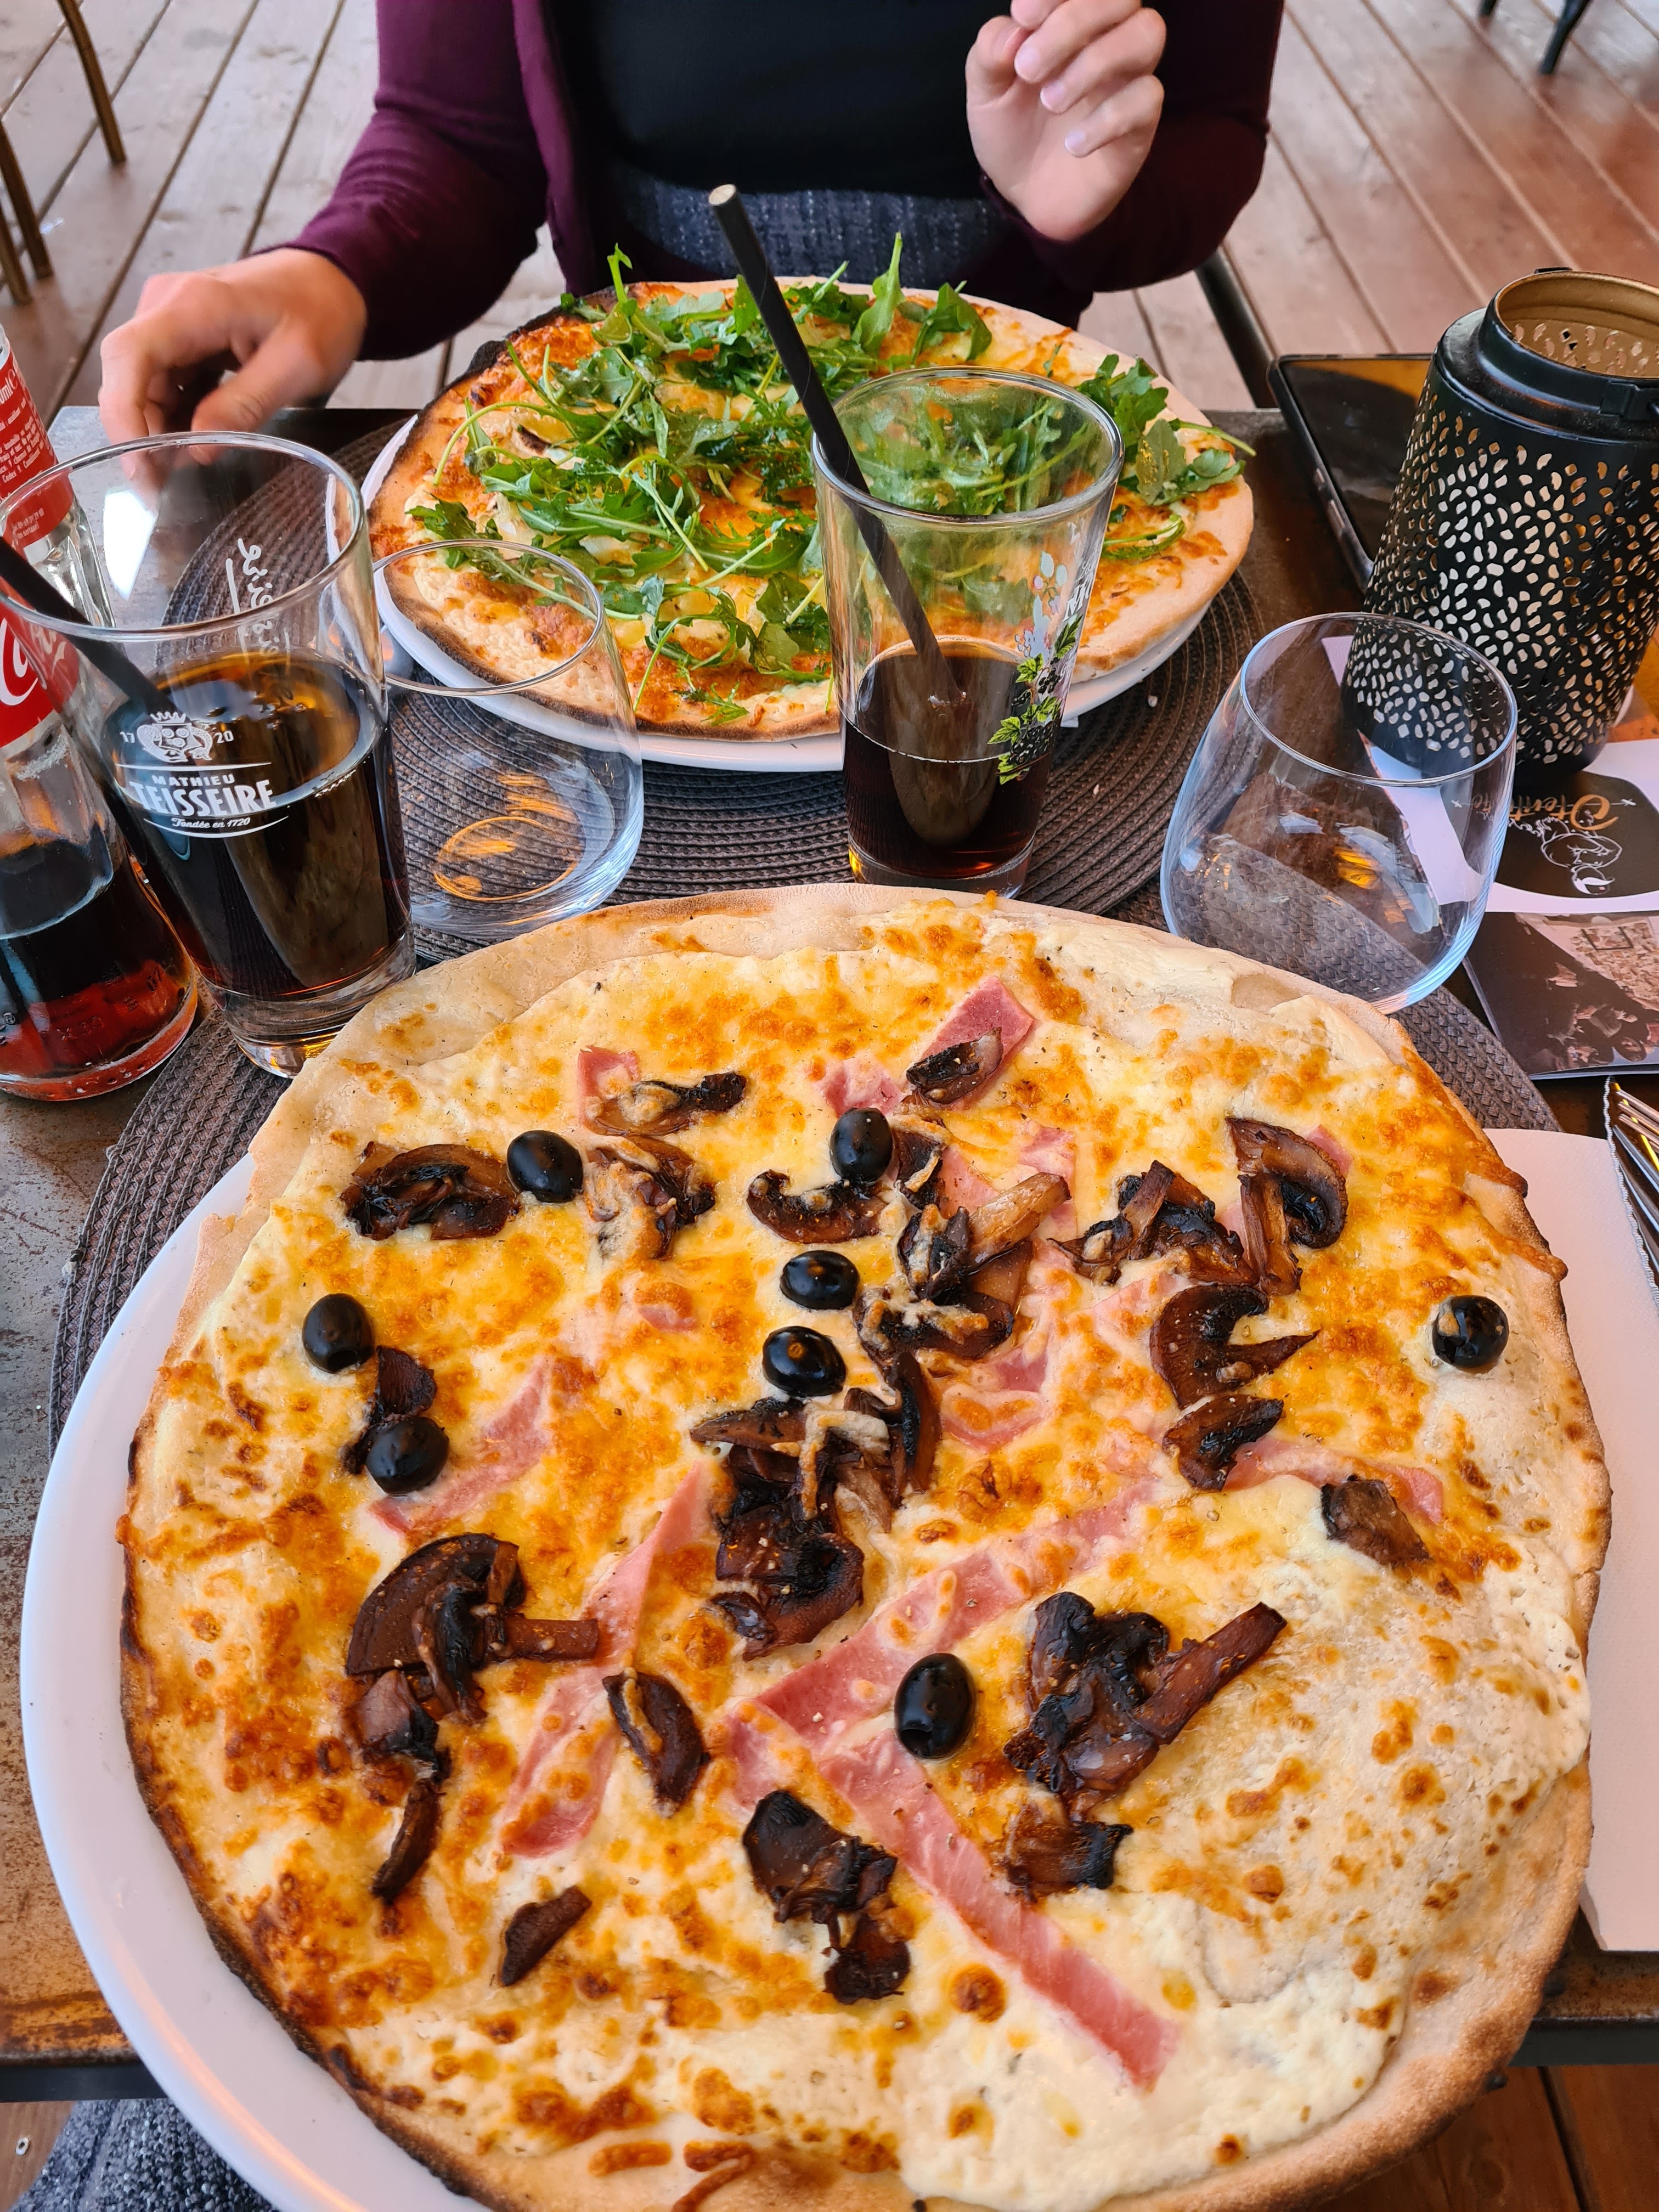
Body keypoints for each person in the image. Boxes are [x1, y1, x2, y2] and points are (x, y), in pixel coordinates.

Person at [99, 0, 1281, 441]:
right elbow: (457, 134)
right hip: (643, 426)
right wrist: (334, 272)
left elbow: (1213, 122)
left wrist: (1090, 197)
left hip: (997, 418)